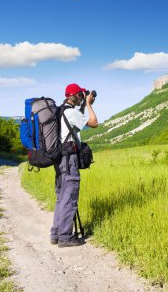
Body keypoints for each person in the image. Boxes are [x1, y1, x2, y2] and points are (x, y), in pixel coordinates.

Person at [50, 83, 98, 247]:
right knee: (69, 197)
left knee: (61, 197)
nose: (82, 98)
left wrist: (84, 104)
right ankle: (65, 237)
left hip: (59, 160)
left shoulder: (61, 111)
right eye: (81, 95)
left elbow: (76, 124)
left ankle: (56, 234)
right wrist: (89, 105)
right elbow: (93, 123)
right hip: (69, 160)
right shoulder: (71, 112)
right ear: (76, 95)